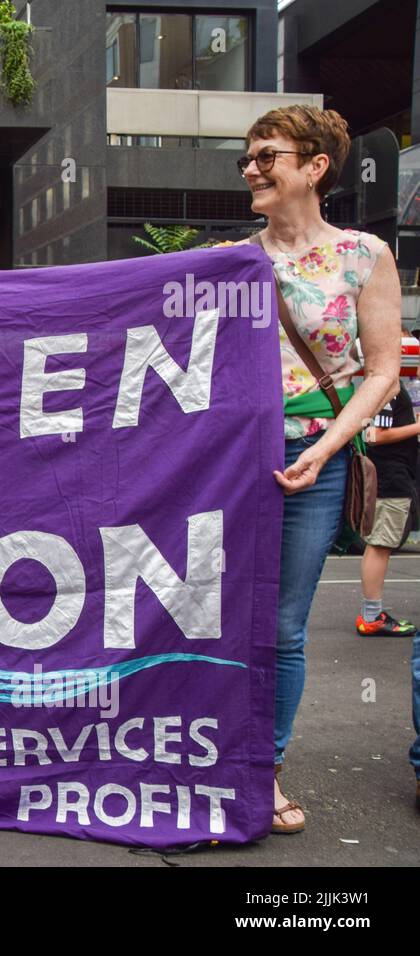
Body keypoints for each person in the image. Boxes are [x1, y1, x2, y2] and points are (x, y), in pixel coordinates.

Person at [228, 105, 402, 834]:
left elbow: (383, 372)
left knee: (283, 626)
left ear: (315, 166)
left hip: (314, 463)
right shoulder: (234, 259)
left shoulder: (365, 255)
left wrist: (326, 447)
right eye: (248, 157)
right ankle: (216, 764)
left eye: (267, 156)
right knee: (222, 621)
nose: (251, 168)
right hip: (234, 464)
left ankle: (261, 773)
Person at [357, 380, 419, 637]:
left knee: (380, 544)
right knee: (380, 544)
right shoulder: (389, 388)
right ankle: (372, 616)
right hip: (390, 476)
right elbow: (374, 436)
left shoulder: (387, 387)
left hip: (391, 474)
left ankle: (372, 614)